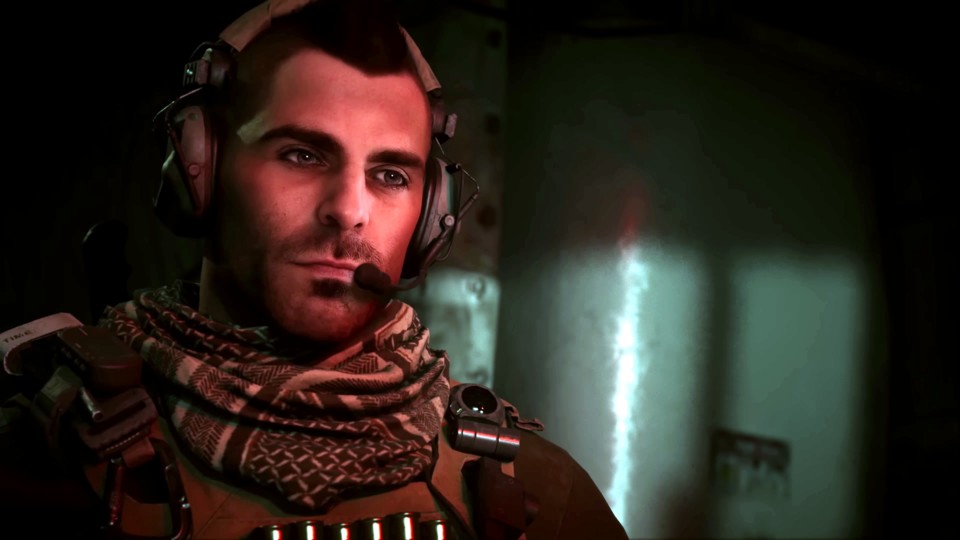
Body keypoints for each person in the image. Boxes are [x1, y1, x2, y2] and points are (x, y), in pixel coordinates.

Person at [0, 1, 628, 538]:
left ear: (430, 214)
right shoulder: (43, 468)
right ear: (203, 171)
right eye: (302, 154)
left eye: (391, 174)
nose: (349, 211)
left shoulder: (538, 492)